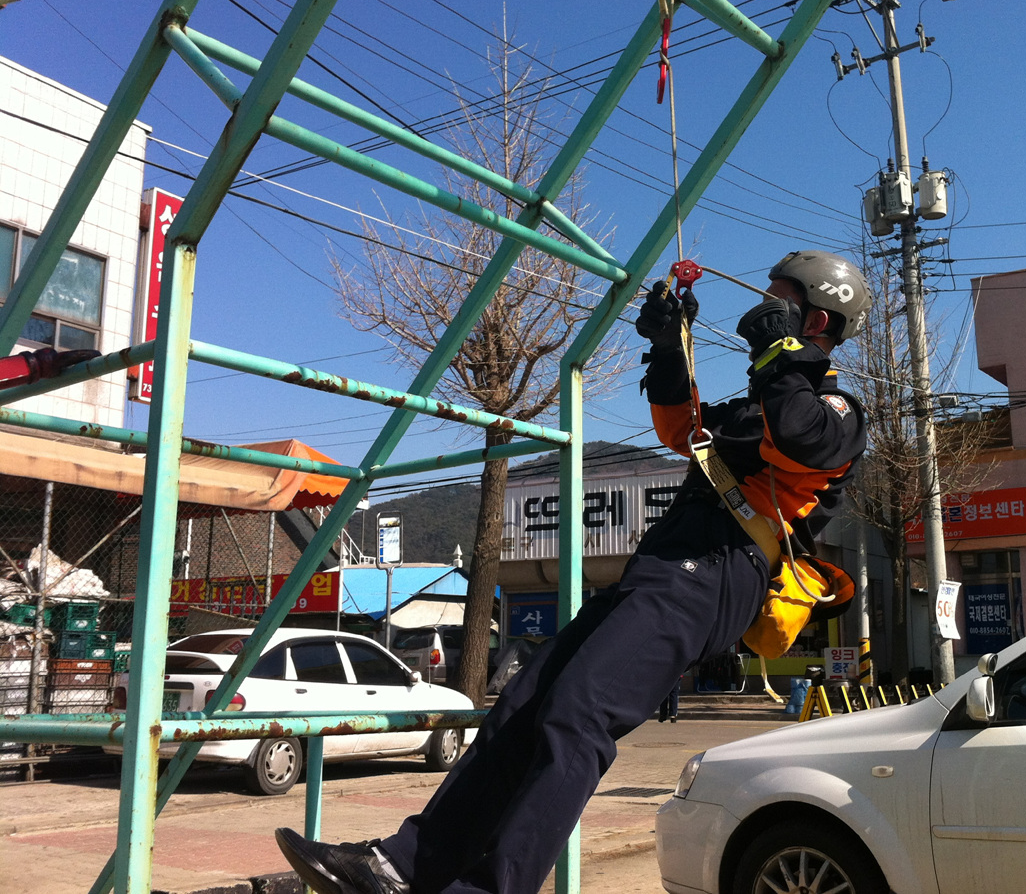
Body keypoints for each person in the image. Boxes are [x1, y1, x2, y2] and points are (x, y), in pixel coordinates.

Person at [274, 249, 871, 894]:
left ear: (817, 319)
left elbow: (800, 434)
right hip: (668, 564)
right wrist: (669, 346)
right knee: (523, 706)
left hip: (719, 568)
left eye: (777, 300)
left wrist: (782, 353)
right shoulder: (762, 401)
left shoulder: (838, 413)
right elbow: (683, 430)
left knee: (579, 714)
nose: (761, 308)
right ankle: (403, 868)